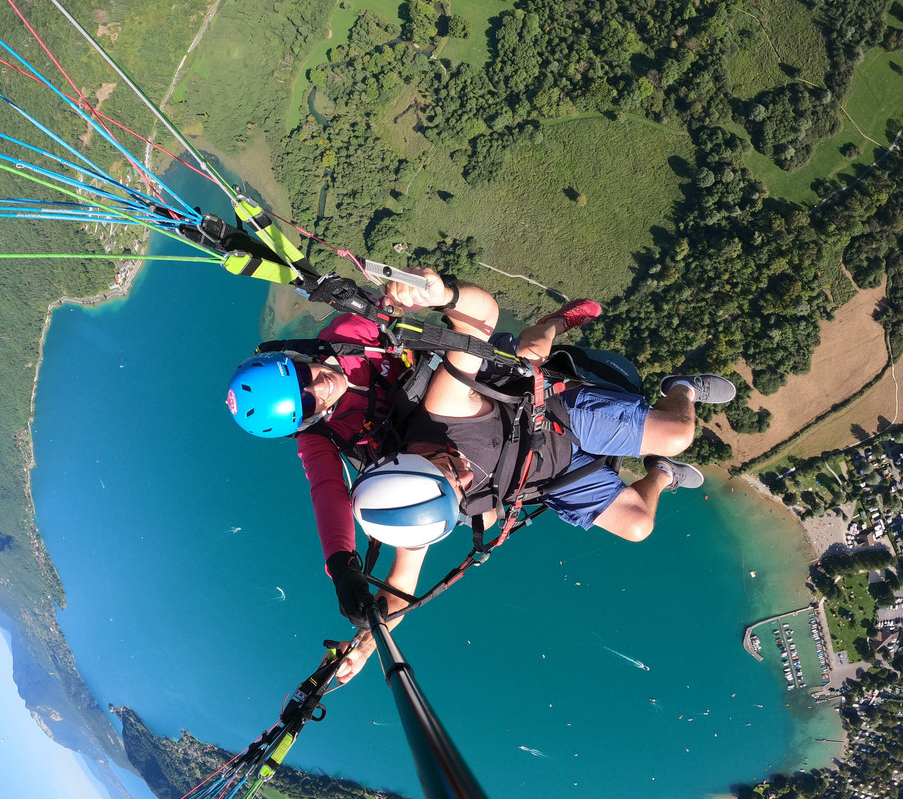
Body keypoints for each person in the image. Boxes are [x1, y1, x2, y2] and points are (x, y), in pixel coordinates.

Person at [334, 268, 735, 683]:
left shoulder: (444, 413)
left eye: (452, 473)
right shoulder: (420, 511)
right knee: (638, 525)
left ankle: (680, 388)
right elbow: (401, 584)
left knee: (676, 434)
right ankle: (662, 472)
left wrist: (441, 295)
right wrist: (364, 647)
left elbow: (480, 320)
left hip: (556, 418)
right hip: (549, 477)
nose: (467, 481)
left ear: (420, 458)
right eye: (458, 495)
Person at [225, 274, 602, 625]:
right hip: (418, 447)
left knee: (525, 356)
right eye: (307, 404)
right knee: (484, 516)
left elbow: (390, 310)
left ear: (294, 358)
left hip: (447, 385)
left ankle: (555, 323)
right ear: (305, 420)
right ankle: (547, 470)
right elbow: (328, 492)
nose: (319, 387)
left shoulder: (345, 336)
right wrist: (341, 567)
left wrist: (415, 293)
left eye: (301, 376)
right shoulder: (319, 436)